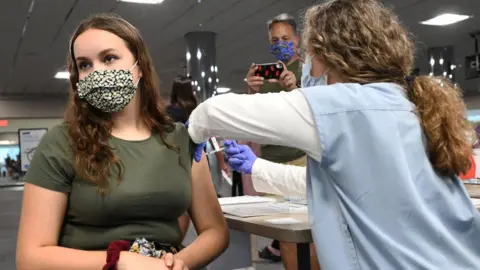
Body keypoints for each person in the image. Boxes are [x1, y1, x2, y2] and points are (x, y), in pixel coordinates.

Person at [186, 0, 480, 269]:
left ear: (327, 55)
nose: (307, 65)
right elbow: (340, 183)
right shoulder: (406, 103)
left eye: (308, 54)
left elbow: (211, 113)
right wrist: (257, 167)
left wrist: (194, 133)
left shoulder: (340, 105)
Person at [16, 13, 228, 270]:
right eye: (84, 65)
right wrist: (120, 261)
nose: (97, 72)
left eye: (108, 58)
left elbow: (215, 231)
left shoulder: (181, 139)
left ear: (139, 66)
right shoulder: (61, 143)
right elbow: (30, 257)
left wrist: (177, 264)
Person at [246, 13, 317, 268]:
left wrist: (295, 88)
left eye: (286, 38)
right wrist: (251, 92)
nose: (280, 43)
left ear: (297, 40)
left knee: (310, 234)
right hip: (270, 164)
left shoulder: (310, 70)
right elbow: (253, 123)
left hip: (301, 159)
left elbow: (316, 114)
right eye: (275, 39)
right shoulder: (264, 78)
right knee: (285, 236)